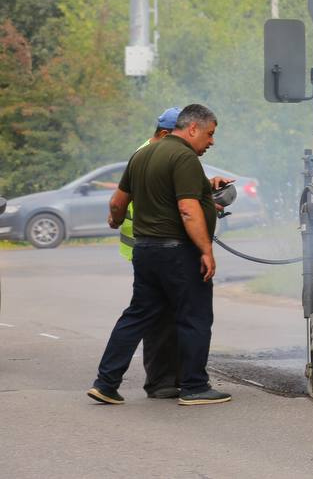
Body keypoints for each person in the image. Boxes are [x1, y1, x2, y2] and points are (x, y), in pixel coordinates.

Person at [88, 104, 232, 407]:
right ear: (192, 128)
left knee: (137, 316)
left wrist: (114, 221)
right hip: (177, 252)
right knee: (195, 317)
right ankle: (194, 387)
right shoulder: (184, 157)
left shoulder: (142, 155)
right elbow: (187, 209)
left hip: (145, 251)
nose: (211, 141)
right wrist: (206, 250)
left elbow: (117, 202)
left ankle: (106, 383)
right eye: (209, 134)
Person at [116, 106, 183, 399]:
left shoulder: (146, 152)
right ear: (167, 134)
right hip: (156, 247)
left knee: (154, 315)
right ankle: (162, 381)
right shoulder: (155, 156)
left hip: (145, 248)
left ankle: (162, 379)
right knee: (156, 317)